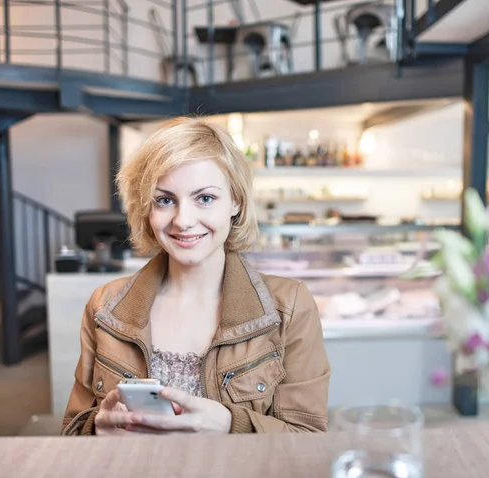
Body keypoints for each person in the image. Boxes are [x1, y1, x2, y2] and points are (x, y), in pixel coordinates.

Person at [62, 117, 331, 435]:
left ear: (236, 201)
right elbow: (71, 430)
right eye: (165, 200)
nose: (183, 220)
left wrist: (231, 425)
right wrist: (97, 429)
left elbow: (307, 439)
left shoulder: (290, 306)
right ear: (146, 208)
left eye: (205, 198)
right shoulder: (105, 306)